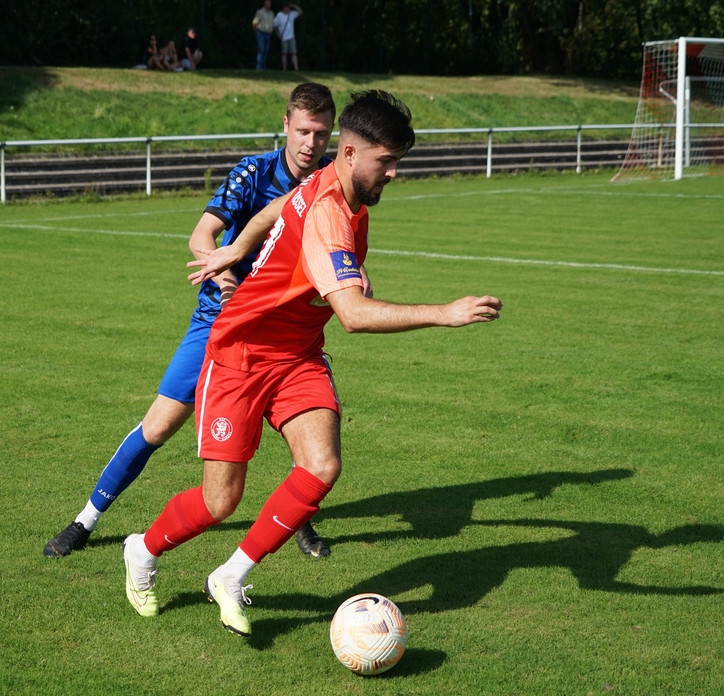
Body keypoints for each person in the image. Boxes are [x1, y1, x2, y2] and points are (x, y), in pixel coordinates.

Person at [121, 90, 503, 636]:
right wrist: (445, 312)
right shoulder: (329, 212)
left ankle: (229, 577)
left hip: (298, 356)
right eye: (386, 161)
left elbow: (276, 208)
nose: (394, 173)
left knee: (321, 465)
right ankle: (142, 549)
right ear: (350, 153)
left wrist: (238, 247)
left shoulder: (329, 183)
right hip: (241, 356)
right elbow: (353, 316)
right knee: (219, 501)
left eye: (398, 161)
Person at [44, 83, 340, 560]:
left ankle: (300, 522)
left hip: (281, 331)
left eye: (321, 134)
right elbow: (203, 235)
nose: (311, 143)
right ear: (286, 124)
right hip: (218, 320)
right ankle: (85, 519)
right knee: (159, 426)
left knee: (307, 431)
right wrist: (225, 283)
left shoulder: (330, 181)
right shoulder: (253, 173)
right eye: (303, 131)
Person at [274, 3, 302, 71]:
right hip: (283, 37)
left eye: (289, 8)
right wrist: (278, 34)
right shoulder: (279, 15)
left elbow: (300, 12)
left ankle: (296, 68)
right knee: (284, 53)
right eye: (287, 8)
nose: (288, 9)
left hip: (291, 36)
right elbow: (275, 26)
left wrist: (294, 6)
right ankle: (284, 68)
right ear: (283, 8)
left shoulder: (292, 14)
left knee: (294, 53)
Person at [252, 1, 275, 70]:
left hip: (268, 34)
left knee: (266, 51)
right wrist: (256, 32)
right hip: (261, 33)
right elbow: (254, 22)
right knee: (261, 49)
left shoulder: (271, 13)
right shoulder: (260, 12)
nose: (269, 5)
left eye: (270, 4)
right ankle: (259, 67)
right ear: (264, 4)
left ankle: (263, 67)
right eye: (267, 4)